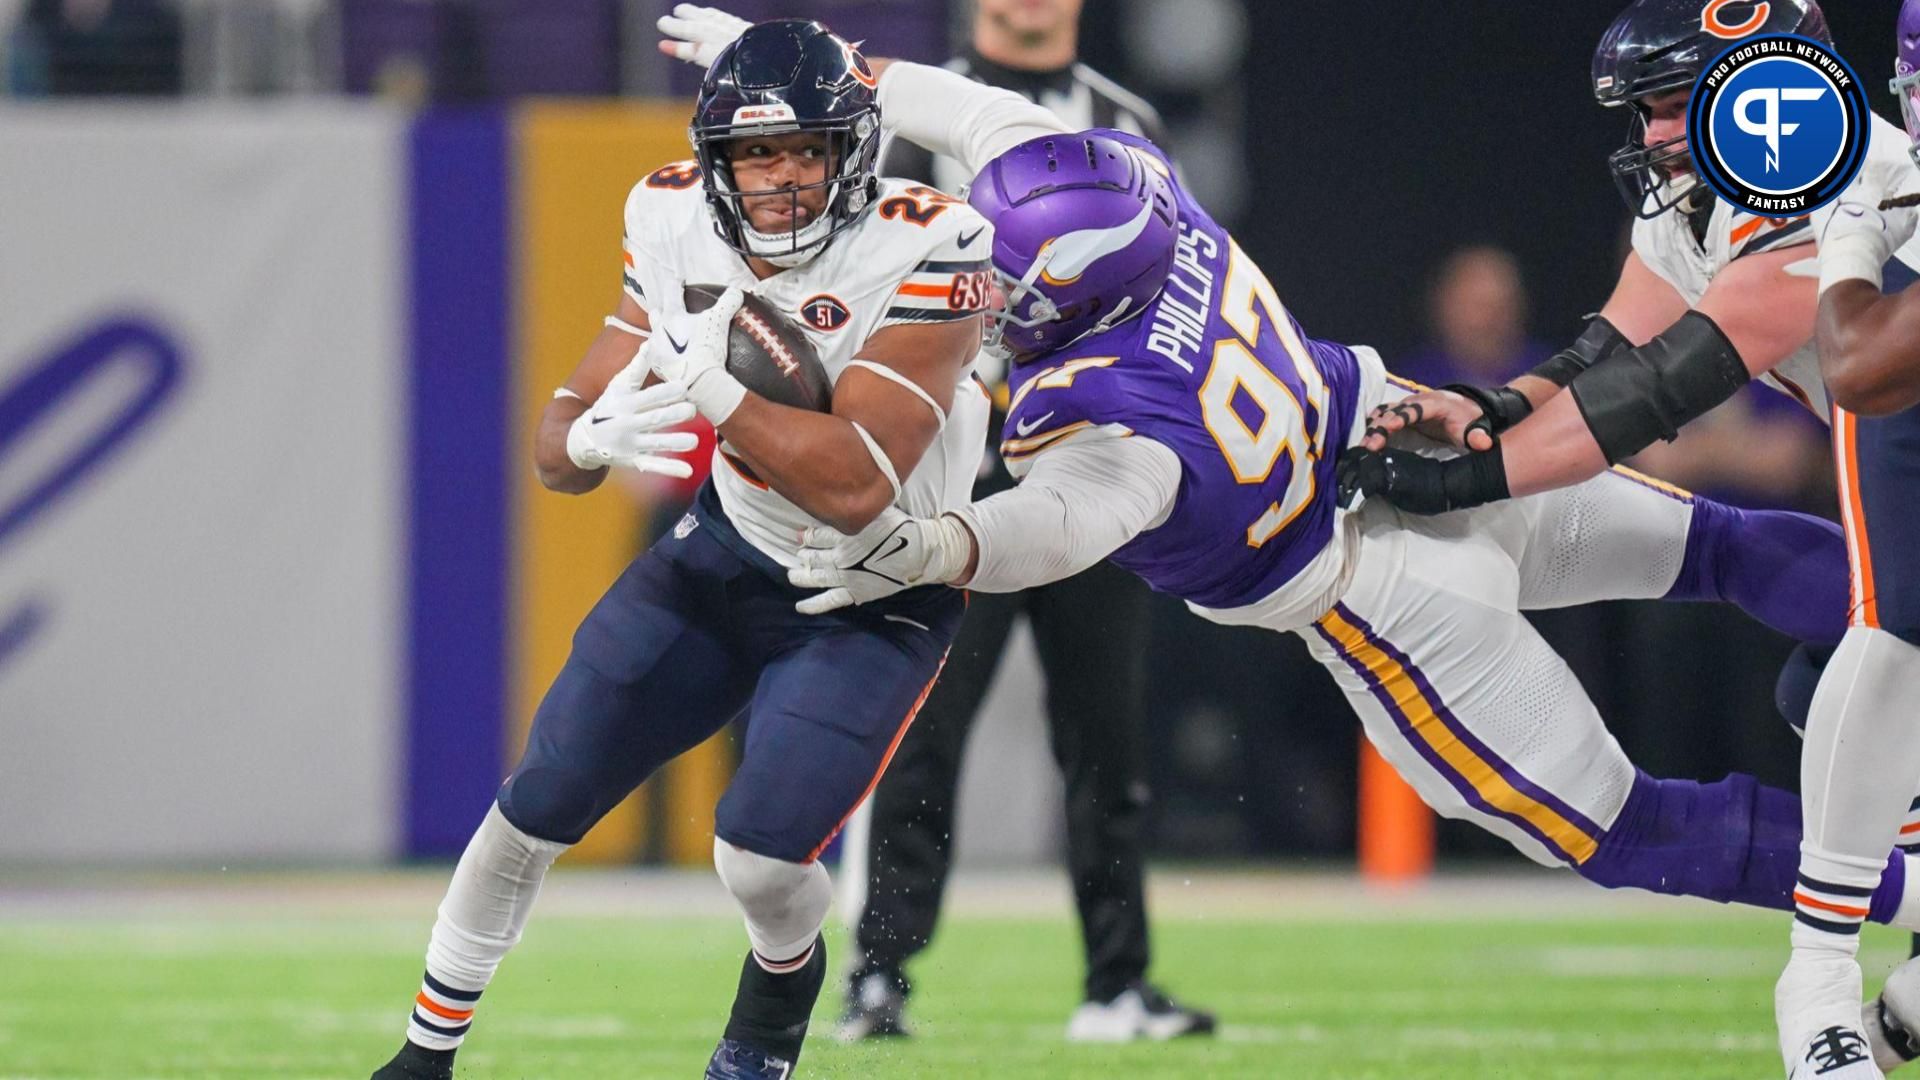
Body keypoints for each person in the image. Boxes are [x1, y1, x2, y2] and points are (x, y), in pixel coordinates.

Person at [649, 11, 1920, 967]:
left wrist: (925, 547)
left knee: (1623, 829)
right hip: (1396, 435)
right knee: (1729, 551)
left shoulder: (1097, 414)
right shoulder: (1160, 205)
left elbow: (1056, 530)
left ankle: (1901, 891)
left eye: (1008, 288)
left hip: (1386, 596)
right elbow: (986, 118)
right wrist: (848, 69)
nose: (986, 301)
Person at [369, 19, 994, 1080]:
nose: (784, 178)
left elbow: (852, 485)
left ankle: (778, 993)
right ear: (718, 162)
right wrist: (582, 434)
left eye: (807, 149)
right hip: (727, 552)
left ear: (856, 153)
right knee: (535, 801)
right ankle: (424, 1056)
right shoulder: (666, 215)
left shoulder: (932, 240)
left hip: (877, 583)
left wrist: (708, 386)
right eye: (757, 153)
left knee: (755, 856)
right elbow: (558, 442)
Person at [1328, 2, 1920, 1072]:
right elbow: (1609, 346)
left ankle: (1826, 976)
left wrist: (1468, 474)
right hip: (1898, 465)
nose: (1651, 138)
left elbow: (1649, 397)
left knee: (1872, 665)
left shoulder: (1837, 187)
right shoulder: (1714, 198)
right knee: (1836, 679)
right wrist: (1491, 407)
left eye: (1668, 107)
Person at [832, 0, 1213, 1043]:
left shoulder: (1126, 119)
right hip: (960, 476)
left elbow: (1178, 290)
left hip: (1094, 471)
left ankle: (1117, 982)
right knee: (917, 732)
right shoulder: (910, 122)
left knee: (1108, 736)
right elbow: (860, 286)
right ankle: (878, 974)